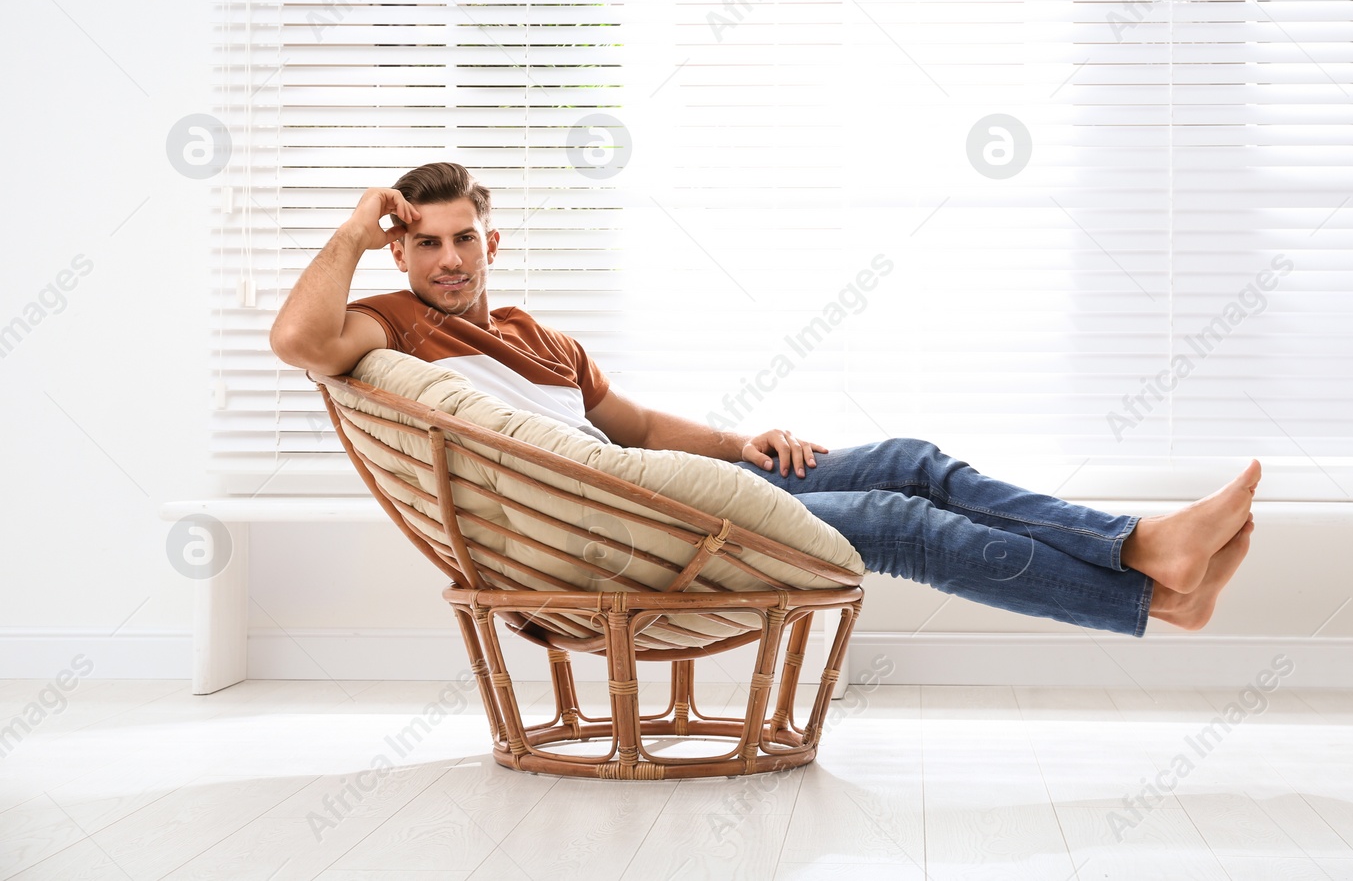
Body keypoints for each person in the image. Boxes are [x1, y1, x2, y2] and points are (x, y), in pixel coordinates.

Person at [270, 162, 1257, 637]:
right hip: (628, 521)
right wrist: (358, 228)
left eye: (463, 238)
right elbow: (299, 340)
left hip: (654, 475)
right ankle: (1148, 585)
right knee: (895, 520)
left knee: (908, 458)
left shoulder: (539, 335)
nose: (447, 259)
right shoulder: (386, 321)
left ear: (493, 243)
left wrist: (749, 441)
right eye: (425, 241)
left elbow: (639, 428)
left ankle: (1142, 549)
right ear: (400, 249)